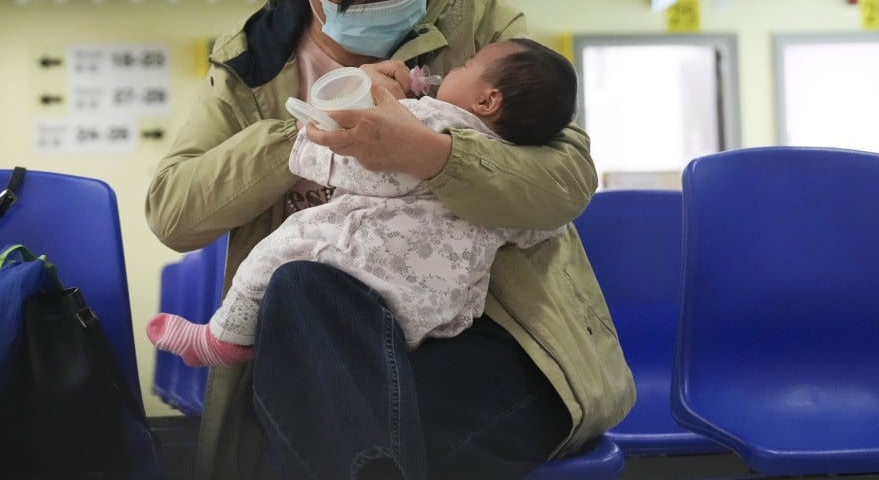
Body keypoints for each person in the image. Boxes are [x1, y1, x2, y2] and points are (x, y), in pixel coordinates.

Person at [145, 0, 635, 480]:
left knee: (327, 442)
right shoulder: (252, 64)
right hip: (333, 347)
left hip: (497, 342)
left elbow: (567, 179)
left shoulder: (478, 20)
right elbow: (172, 212)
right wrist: (310, 129)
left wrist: (430, 152)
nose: (399, 3)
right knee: (301, 285)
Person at [147, 39, 577, 368]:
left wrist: (309, 142)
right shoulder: (512, 163)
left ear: (486, 101)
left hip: (365, 280)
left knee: (282, 249)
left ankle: (224, 339)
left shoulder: (428, 120)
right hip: (438, 312)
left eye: (464, 67)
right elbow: (532, 226)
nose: (450, 71)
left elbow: (367, 167)